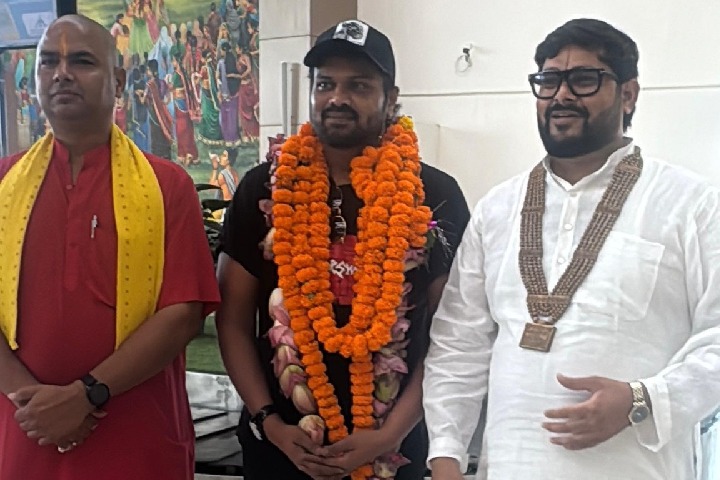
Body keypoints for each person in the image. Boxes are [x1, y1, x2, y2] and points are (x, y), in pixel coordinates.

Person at [422, 18, 720, 480]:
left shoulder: (690, 204)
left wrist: (641, 402)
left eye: (584, 79)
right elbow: (458, 344)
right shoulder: (498, 209)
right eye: (548, 81)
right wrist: (446, 458)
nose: (561, 95)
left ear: (628, 95)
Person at [217, 19, 470, 480]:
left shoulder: (433, 194)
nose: (337, 98)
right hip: (281, 449)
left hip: (393, 450)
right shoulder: (266, 187)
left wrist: (389, 435)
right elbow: (232, 319)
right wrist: (270, 424)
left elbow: (452, 335)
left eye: (359, 85)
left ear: (391, 97)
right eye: (325, 84)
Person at [0, 15, 220, 480]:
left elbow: (182, 312)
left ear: (118, 81)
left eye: (82, 61)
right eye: (48, 62)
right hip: (25, 433)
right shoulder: (3, 184)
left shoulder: (167, 186)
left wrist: (86, 395)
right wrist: (32, 405)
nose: (62, 74)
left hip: (136, 435)